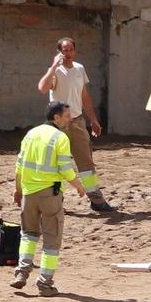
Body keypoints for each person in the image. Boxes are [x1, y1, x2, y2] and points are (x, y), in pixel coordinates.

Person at [11, 101, 88, 295]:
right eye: (67, 116)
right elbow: (65, 169)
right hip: (50, 195)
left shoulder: (30, 134)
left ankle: (21, 273)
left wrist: (18, 190)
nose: (70, 119)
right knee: (52, 241)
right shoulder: (60, 138)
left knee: (28, 234)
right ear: (57, 118)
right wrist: (79, 186)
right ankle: (45, 283)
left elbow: (19, 166)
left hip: (29, 193)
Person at [38, 38, 114, 214]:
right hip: (59, 125)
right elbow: (42, 88)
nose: (68, 53)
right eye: (64, 50)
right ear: (59, 52)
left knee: (86, 161)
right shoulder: (56, 71)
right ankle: (56, 201)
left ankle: (96, 200)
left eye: (71, 49)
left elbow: (84, 96)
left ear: (75, 51)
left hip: (78, 121)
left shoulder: (79, 69)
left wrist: (93, 120)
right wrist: (52, 67)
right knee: (57, 163)